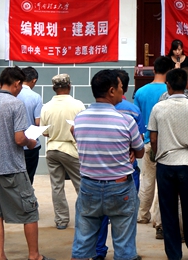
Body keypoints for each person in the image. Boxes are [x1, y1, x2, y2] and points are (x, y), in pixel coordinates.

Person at [0, 67, 51, 260]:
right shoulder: (16, 104)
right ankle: (34, 255)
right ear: (17, 84)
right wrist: (30, 142)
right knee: (30, 211)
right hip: (13, 168)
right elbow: (19, 139)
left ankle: (0, 256)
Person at [71, 69, 145, 260]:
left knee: (82, 243)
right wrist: (128, 149)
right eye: (120, 87)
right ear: (112, 91)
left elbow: (77, 135)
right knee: (124, 245)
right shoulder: (126, 121)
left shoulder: (79, 119)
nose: (123, 91)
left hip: (88, 186)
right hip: (120, 188)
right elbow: (140, 152)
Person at [149, 68, 188, 260]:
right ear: (186, 84)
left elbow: (153, 138)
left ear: (168, 86)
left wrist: (158, 154)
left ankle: (174, 254)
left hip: (166, 163)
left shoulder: (158, 108)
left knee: (168, 211)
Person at [94, 69, 146, 260]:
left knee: (99, 216)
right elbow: (139, 141)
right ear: (118, 88)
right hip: (126, 171)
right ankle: (126, 253)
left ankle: (98, 251)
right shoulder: (132, 110)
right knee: (126, 217)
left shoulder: (89, 113)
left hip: (98, 173)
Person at [40, 73, 85, 230]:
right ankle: (86, 216)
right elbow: (82, 129)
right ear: (69, 86)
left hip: (52, 149)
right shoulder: (78, 105)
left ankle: (61, 220)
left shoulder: (46, 107)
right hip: (71, 150)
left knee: (57, 186)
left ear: (53, 88)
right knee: (81, 184)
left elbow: (44, 132)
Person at [134, 56, 173, 226]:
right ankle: (159, 220)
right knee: (163, 183)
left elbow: (136, 119)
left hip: (147, 141)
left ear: (154, 70)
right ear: (170, 71)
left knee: (147, 180)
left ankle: (142, 214)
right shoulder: (170, 91)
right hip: (166, 143)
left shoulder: (140, 92)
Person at [17, 67, 42, 184]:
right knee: (28, 179)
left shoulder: (13, 94)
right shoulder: (36, 97)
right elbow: (37, 122)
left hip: (14, 144)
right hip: (30, 145)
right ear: (34, 80)